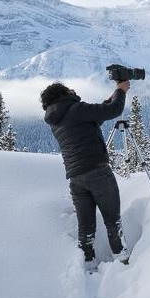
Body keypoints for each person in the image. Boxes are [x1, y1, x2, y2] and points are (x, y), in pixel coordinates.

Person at [41, 79, 131, 269]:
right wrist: (121, 91)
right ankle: (123, 262)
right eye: (68, 89)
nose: (72, 90)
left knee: (86, 227)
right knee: (112, 221)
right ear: (62, 93)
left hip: (76, 179)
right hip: (98, 173)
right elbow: (113, 111)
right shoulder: (75, 109)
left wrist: (112, 97)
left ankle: (88, 265)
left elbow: (93, 119)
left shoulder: (56, 119)